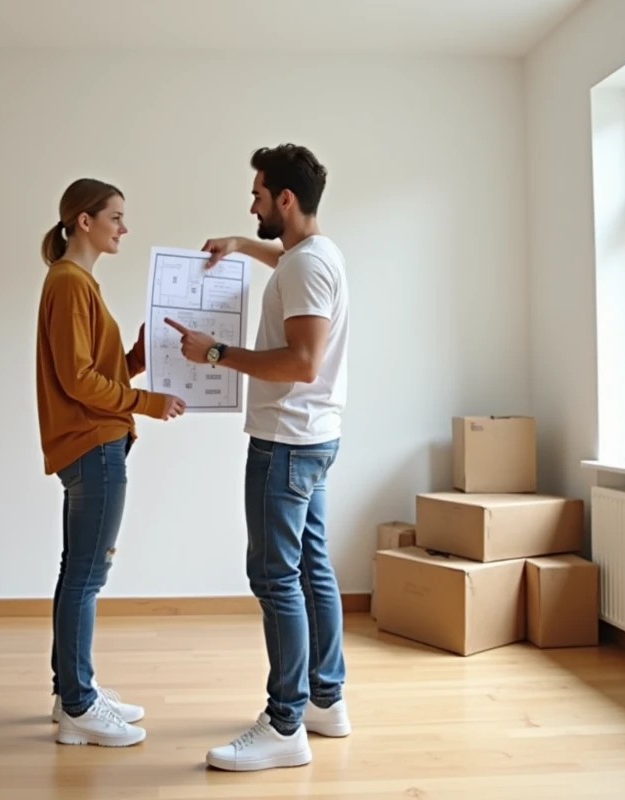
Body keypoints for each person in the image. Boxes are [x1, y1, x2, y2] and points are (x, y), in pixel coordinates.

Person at [164, 144, 350, 772]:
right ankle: (325, 700)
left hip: (285, 442)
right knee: (311, 569)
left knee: (275, 579)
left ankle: (285, 723)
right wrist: (240, 245)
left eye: (259, 195)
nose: (252, 204)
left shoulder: (304, 269)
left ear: (286, 200)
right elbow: (284, 259)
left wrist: (215, 353)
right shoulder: (313, 255)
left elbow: (302, 363)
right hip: (314, 437)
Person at [36, 178, 186, 748]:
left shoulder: (75, 283)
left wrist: (136, 362)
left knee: (76, 572)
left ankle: (72, 690)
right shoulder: (71, 283)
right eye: (116, 217)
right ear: (83, 221)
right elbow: (77, 381)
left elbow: (91, 373)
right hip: (94, 446)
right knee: (86, 577)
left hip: (91, 442)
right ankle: (78, 706)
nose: (123, 228)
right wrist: (147, 402)